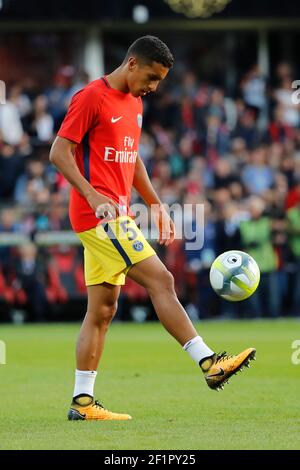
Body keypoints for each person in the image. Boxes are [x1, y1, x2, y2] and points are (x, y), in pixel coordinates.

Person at [50, 36, 256, 421]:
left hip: (119, 213)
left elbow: (133, 160)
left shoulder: (135, 103)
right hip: (101, 216)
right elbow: (58, 152)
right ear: (131, 63)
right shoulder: (91, 97)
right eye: (151, 76)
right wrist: (93, 196)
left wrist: (157, 204)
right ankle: (209, 363)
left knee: (103, 310)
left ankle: (82, 402)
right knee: (162, 280)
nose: (154, 86)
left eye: (160, 80)